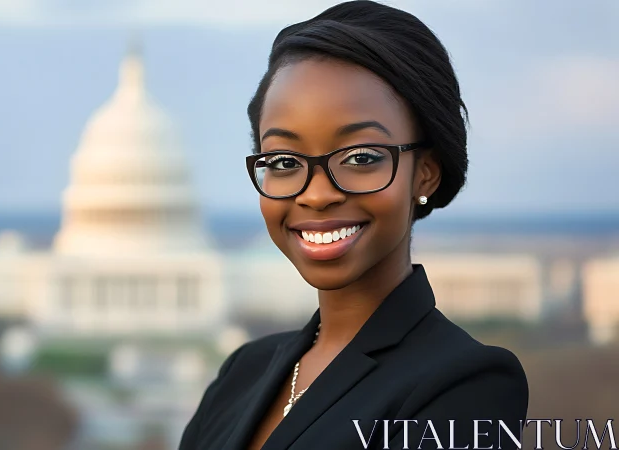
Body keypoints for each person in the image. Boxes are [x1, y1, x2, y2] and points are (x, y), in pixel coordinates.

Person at [179, 1, 529, 449]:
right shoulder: (243, 372)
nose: (318, 193)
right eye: (284, 161)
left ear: (426, 171)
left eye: (361, 157)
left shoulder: (466, 384)